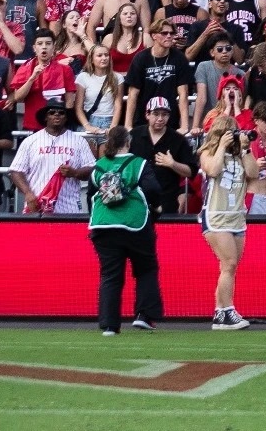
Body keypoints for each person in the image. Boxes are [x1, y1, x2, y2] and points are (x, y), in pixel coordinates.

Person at [87, 123, 164, 335]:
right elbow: (153, 188)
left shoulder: (99, 166)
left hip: (103, 225)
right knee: (146, 268)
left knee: (110, 275)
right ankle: (144, 316)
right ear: (128, 143)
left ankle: (109, 325)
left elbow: (90, 197)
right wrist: (155, 207)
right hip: (134, 224)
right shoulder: (139, 163)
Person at [197, 115, 257, 329]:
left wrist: (246, 149)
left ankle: (220, 313)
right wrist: (221, 146)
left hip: (236, 216)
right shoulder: (208, 153)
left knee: (229, 267)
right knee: (229, 263)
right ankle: (228, 309)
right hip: (216, 215)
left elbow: (254, 173)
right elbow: (212, 170)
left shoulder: (241, 155)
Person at [10, 97, 95, 214]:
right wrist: (28, 193)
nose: (57, 115)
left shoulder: (79, 141)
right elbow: (16, 171)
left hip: (68, 208)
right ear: (45, 117)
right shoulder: (30, 141)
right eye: (52, 112)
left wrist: (75, 173)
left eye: (61, 113)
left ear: (66, 118)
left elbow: (91, 169)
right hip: (36, 205)